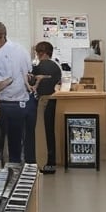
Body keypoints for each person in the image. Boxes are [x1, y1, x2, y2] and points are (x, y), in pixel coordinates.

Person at [0, 21, 33, 166]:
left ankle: (8, 175)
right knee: (20, 142)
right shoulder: (21, 49)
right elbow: (29, 73)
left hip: (6, 105)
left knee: (4, 144)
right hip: (24, 104)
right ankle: (21, 174)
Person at [29, 41, 62, 174]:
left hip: (41, 102)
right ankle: (51, 164)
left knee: (41, 134)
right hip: (53, 102)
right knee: (50, 133)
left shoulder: (37, 67)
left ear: (40, 53)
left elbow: (31, 82)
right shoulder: (56, 67)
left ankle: (41, 162)